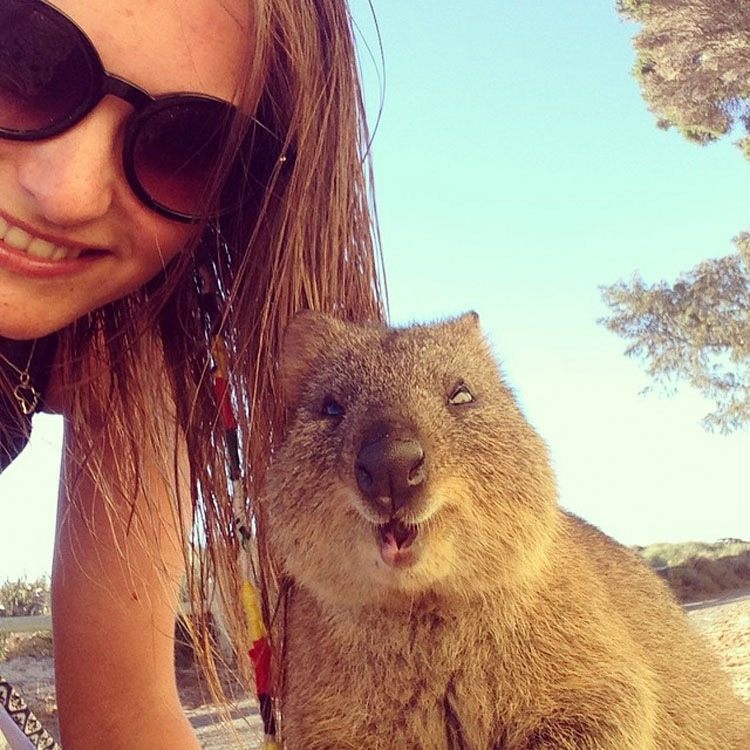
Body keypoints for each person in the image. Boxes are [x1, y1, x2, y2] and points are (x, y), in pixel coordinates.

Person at [0, 1, 384, 748]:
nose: (69, 192)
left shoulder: (126, 352)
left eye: (188, 148)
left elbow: (122, 718)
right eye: (21, 66)